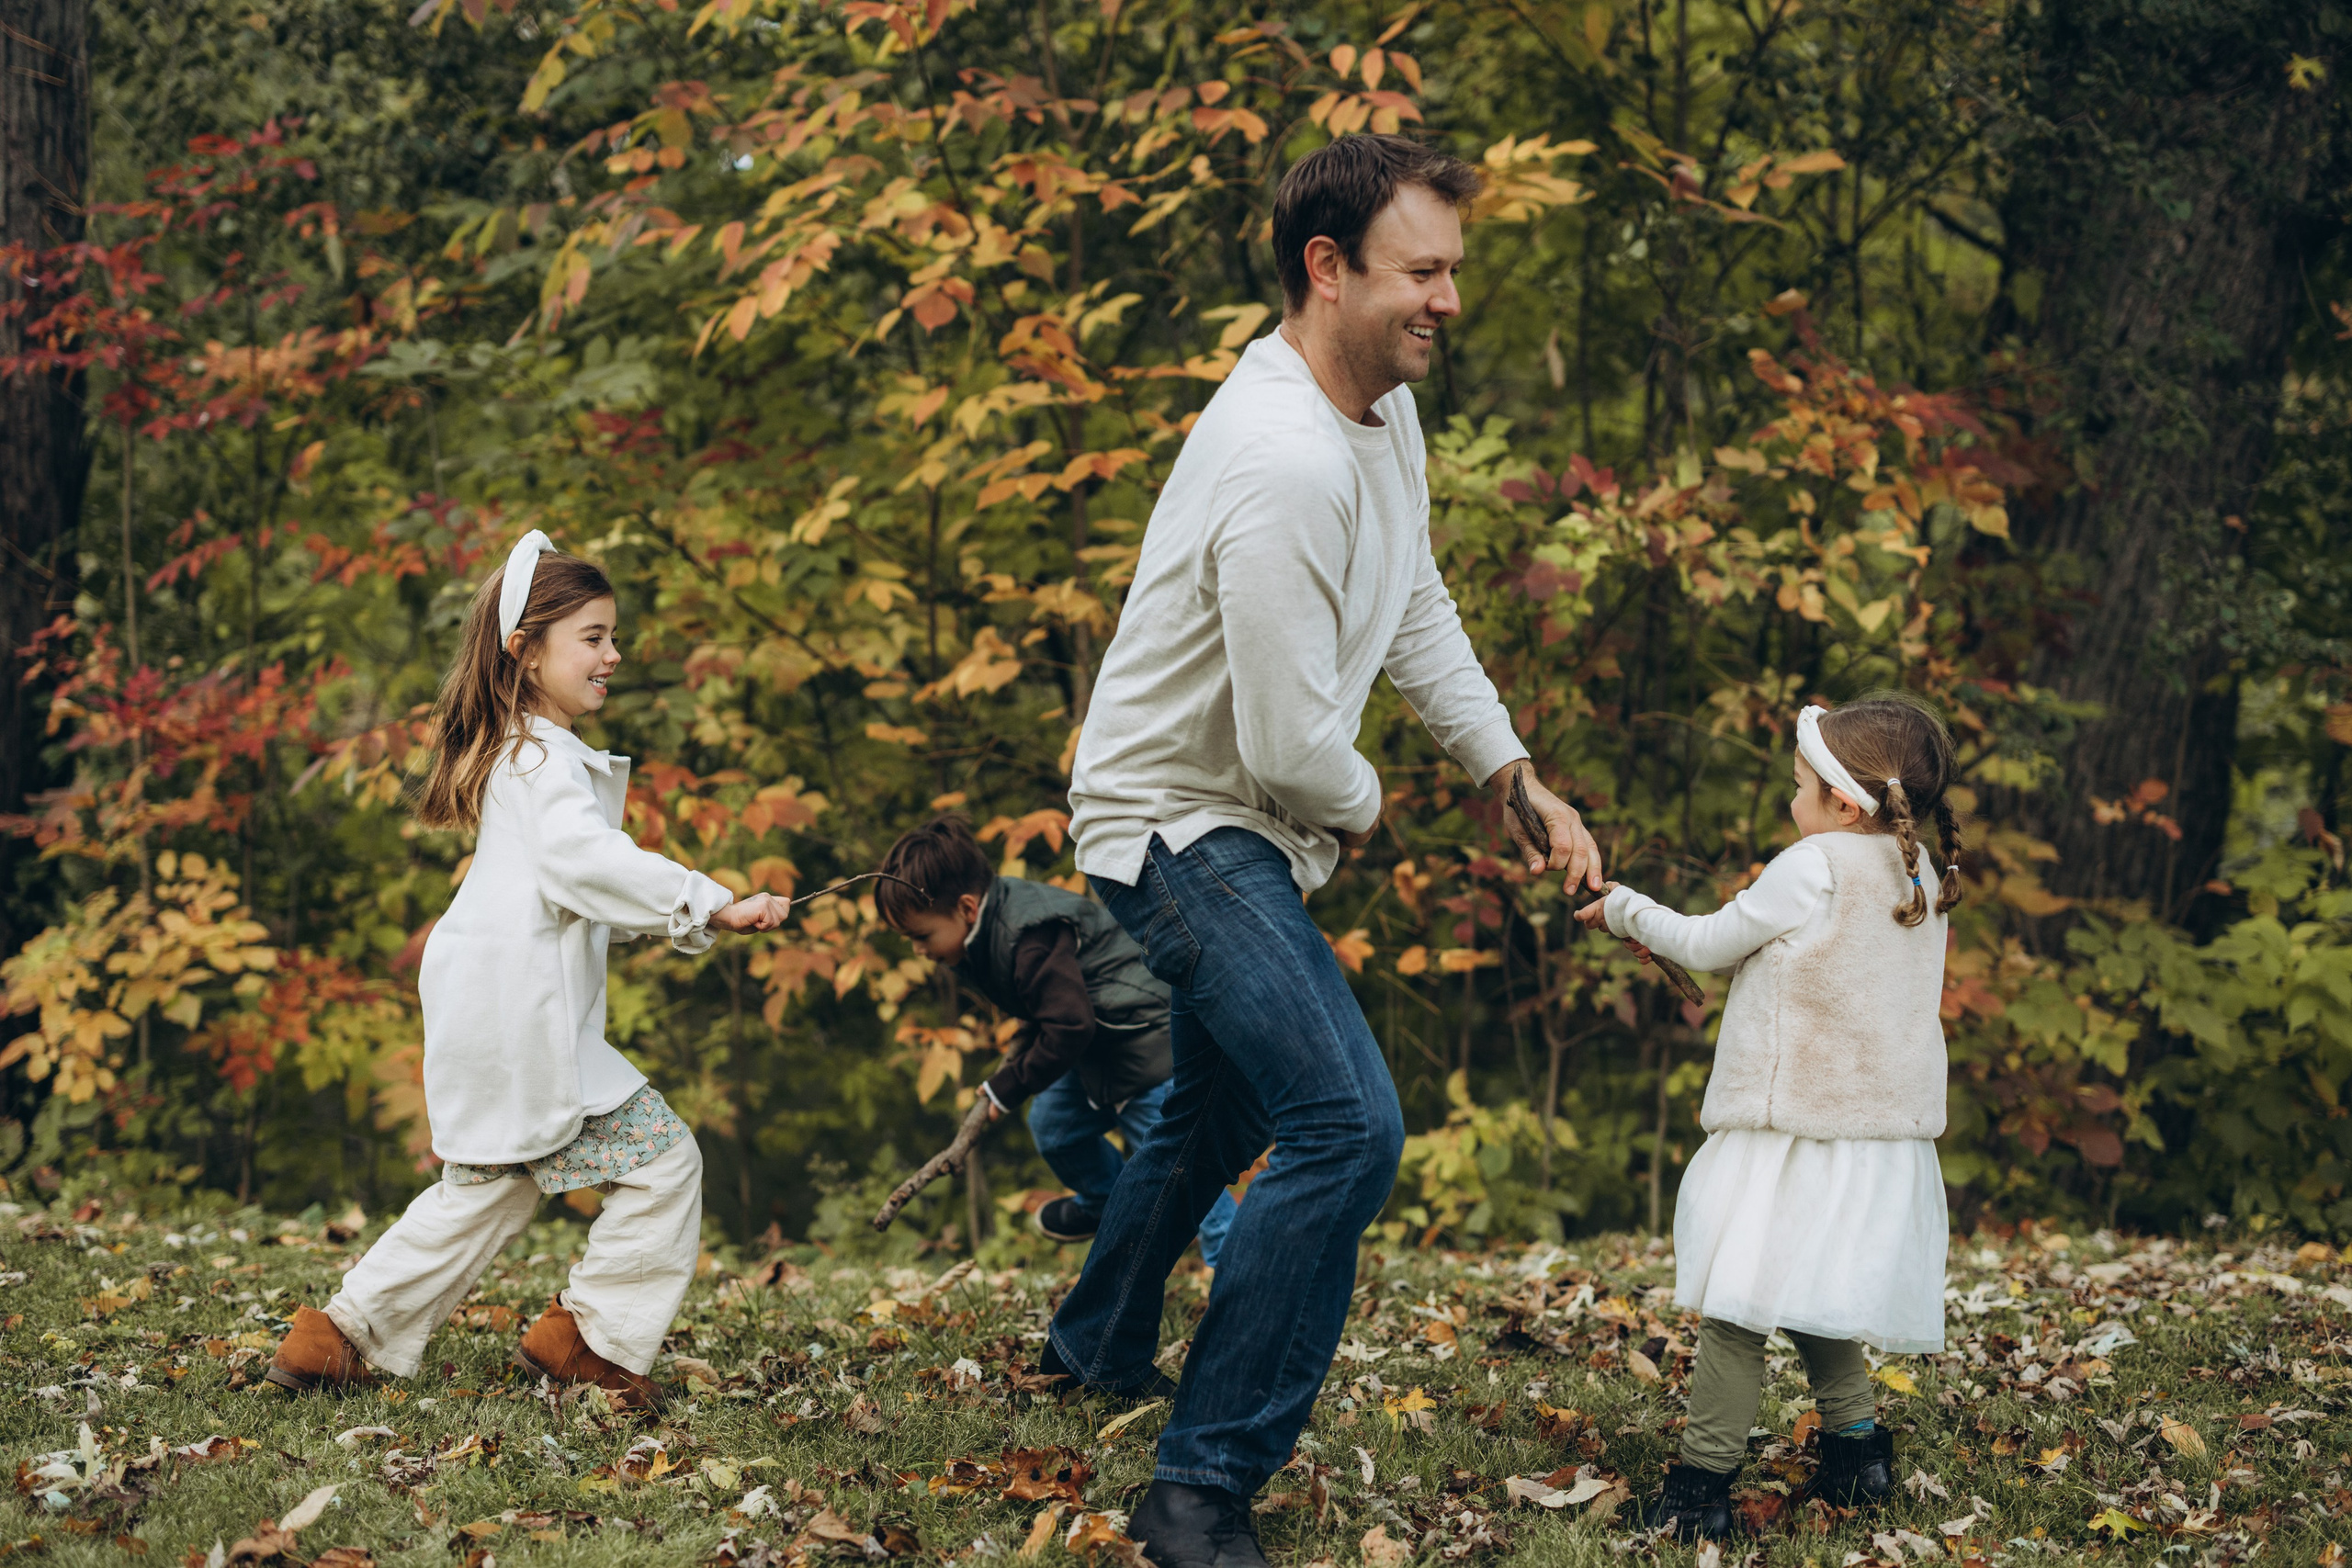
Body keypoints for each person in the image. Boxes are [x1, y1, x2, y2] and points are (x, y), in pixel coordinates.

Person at [1056, 133, 1605, 1568]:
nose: (1448, 300)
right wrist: (1363, 806)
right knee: (1349, 1124)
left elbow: (1411, 597)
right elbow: (1299, 748)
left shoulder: (1376, 418)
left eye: (1453, 271)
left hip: (1238, 819)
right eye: (1422, 271)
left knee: (1223, 1111)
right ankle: (1200, 1487)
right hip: (1178, 828)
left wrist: (1510, 771)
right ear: (1327, 268)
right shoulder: (1281, 458)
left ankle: (1089, 1342)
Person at [265, 531, 788, 1410]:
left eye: (611, 635)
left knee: (490, 1190)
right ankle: (591, 1339)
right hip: (520, 1018)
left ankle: (339, 1338)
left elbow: (567, 895)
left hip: (497, 1006)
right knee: (663, 1163)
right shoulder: (542, 761)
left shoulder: (527, 752)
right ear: (527, 648)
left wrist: (688, 917)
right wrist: (710, 898)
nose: (613, 654)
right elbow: (588, 865)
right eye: (593, 636)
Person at [1574, 694, 1963, 1539]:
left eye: (1799, 784)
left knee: (1738, 1303)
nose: (1792, 802)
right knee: (1808, 1290)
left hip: (1793, 1129)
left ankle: (1699, 1491)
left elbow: (1711, 943)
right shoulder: (1919, 871)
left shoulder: (1816, 861)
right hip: (1875, 1138)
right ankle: (1860, 1455)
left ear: (1843, 803)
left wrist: (1623, 910)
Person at [876, 815, 1236, 1266]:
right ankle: (1106, 1202)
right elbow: (1042, 1010)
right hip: (1097, 1049)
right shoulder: (985, 932)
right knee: (1055, 1126)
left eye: (921, 936)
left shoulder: (1027, 935)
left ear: (966, 908)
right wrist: (1007, 1079)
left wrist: (1006, 1087)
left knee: (1181, 1171)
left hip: (1144, 1043)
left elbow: (1068, 1025)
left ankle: (1237, 1274)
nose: (918, 951)